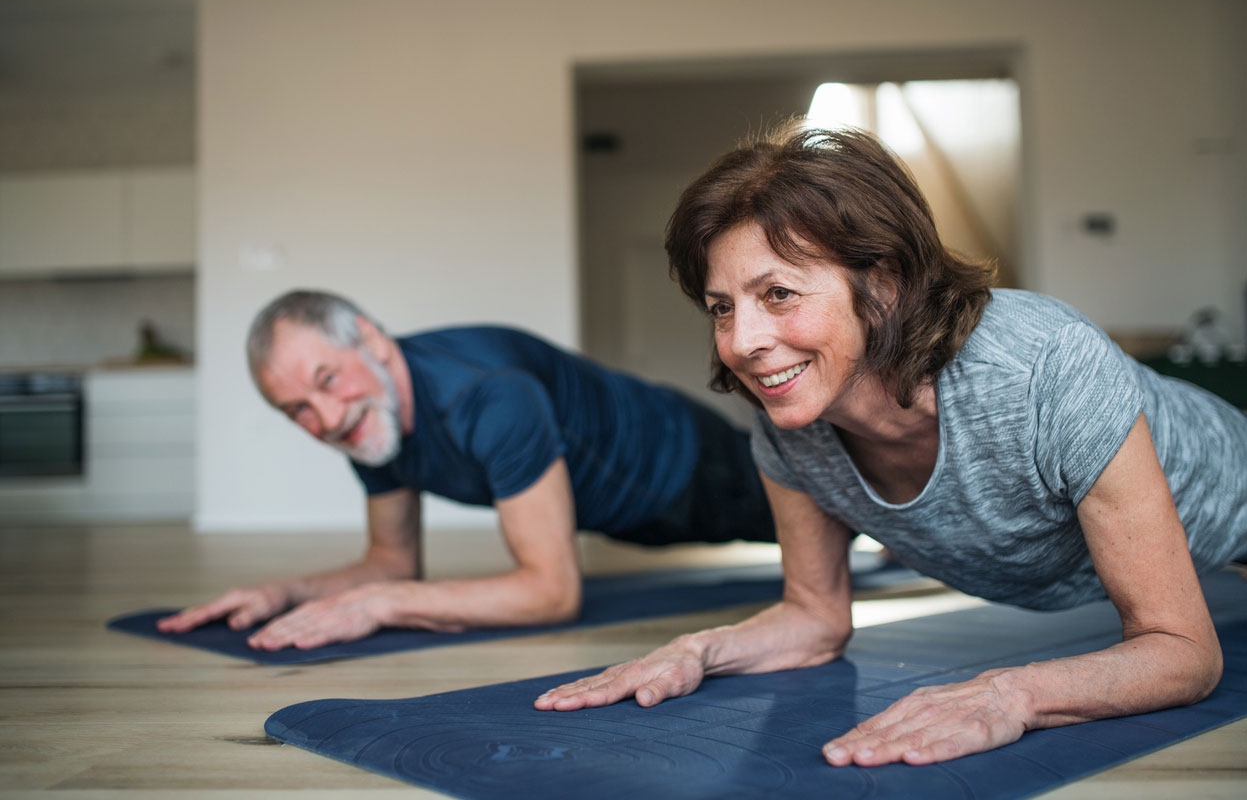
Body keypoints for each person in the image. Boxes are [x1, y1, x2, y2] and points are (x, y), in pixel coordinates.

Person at [535, 125, 1247, 767]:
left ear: (883, 285)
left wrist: (1006, 696)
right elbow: (813, 619)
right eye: (723, 307)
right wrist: (695, 652)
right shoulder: (789, 421)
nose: (741, 342)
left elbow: (1181, 652)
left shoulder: (1046, 368)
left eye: (777, 293)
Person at [157, 290, 774, 649]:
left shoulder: (486, 396)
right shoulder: (370, 421)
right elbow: (391, 563)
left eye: (327, 380)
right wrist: (281, 593)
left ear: (370, 342)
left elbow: (552, 593)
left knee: (835, 508)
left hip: (687, 465)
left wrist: (382, 606)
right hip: (624, 510)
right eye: (299, 410)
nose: (326, 418)